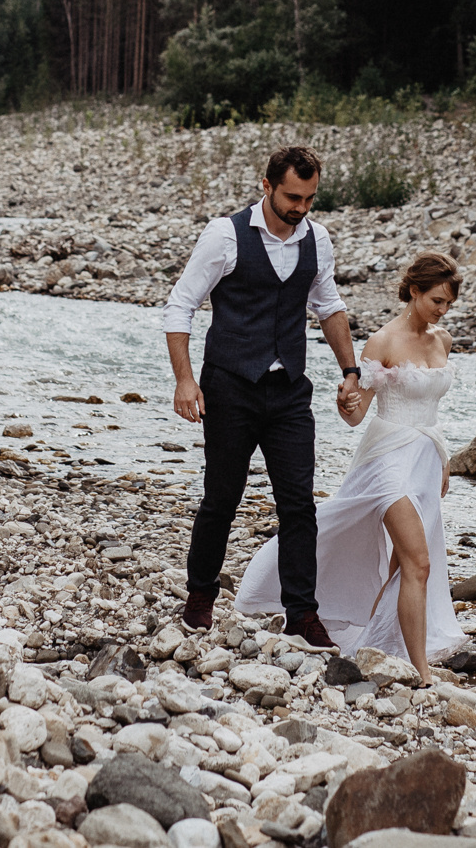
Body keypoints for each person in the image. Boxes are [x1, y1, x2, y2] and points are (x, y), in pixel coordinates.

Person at [163, 145, 362, 649]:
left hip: (289, 391)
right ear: (267, 186)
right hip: (229, 386)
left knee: (299, 504)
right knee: (221, 498)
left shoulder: (317, 238)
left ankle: (302, 614)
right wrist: (186, 381)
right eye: (293, 197)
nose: (300, 208)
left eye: (310, 199)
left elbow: (329, 305)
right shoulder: (225, 235)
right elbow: (181, 307)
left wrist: (351, 372)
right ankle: (201, 597)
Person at [237, 251, 465, 673]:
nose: (442, 310)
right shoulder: (383, 341)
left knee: (401, 563)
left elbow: (431, 411)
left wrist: (443, 460)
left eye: (448, 303)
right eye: (436, 300)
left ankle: (373, 644)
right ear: (414, 291)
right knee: (420, 561)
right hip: (388, 461)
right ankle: (423, 674)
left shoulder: (442, 339)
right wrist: (346, 403)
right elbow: (359, 415)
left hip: (427, 460)